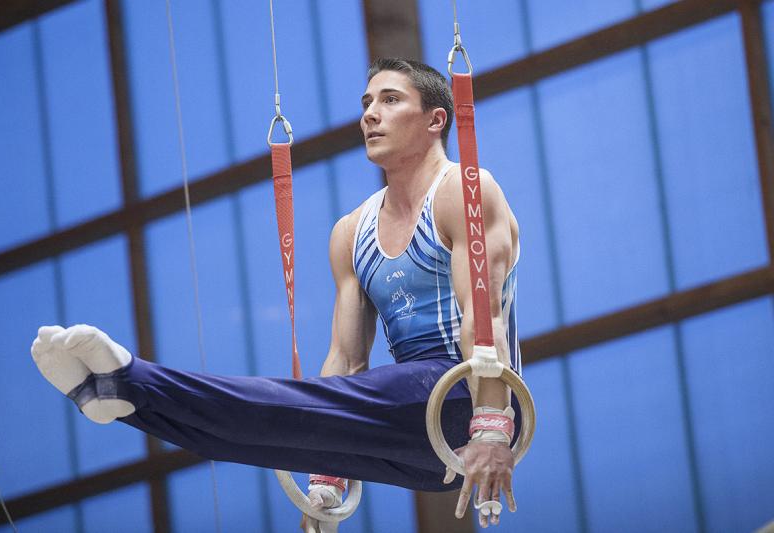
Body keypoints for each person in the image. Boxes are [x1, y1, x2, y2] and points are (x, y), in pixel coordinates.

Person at [31, 58, 524, 530]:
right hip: (422, 445)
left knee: (281, 408)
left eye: (390, 100)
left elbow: (484, 320)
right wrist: (325, 478)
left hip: (465, 394)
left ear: (436, 119)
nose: (370, 114)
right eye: (366, 103)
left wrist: (491, 426)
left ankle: (132, 377)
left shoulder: (463, 190)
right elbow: (346, 360)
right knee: (256, 437)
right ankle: (123, 399)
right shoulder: (351, 232)